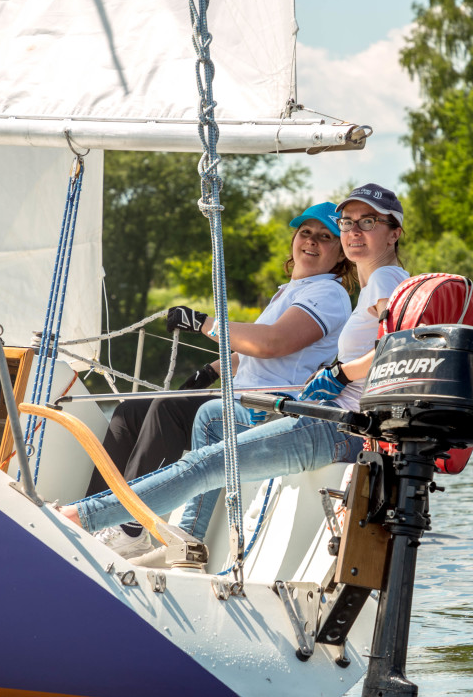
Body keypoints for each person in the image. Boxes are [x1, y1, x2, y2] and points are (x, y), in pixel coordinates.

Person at [61, 183, 409, 551]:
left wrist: (203, 324)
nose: (313, 240)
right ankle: (116, 519)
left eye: (327, 235)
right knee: (131, 412)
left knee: (177, 418)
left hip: (278, 403)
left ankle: (125, 525)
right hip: (272, 399)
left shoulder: (337, 290)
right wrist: (209, 371)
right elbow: (252, 350)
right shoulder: (296, 290)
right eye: (308, 232)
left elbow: (273, 342)